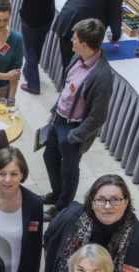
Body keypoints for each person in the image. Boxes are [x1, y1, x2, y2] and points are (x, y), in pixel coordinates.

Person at [41, 18, 114, 221]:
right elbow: (67, 88)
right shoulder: (77, 57)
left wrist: (74, 135)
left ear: (83, 44)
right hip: (59, 120)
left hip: (75, 128)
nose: (70, 39)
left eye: (74, 37)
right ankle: (56, 194)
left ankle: (62, 206)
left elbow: (98, 117)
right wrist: (55, 110)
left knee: (69, 170)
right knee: (50, 156)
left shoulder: (102, 76)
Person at [53, 0, 121, 70]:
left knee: (68, 66)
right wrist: (116, 37)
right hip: (80, 27)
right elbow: (115, 16)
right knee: (75, 69)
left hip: (67, 17)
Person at [19, 0, 56, 95]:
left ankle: (33, 85)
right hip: (46, 16)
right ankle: (29, 72)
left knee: (30, 51)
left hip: (31, 17)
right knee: (37, 47)